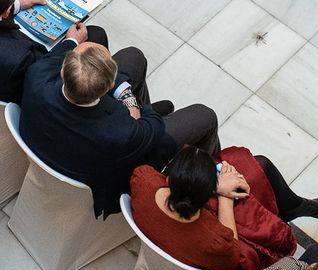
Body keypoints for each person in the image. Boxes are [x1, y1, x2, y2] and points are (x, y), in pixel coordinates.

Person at [19, 38, 217, 218]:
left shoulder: (37, 76)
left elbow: (54, 57)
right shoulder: (122, 133)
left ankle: (141, 103)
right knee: (204, 116)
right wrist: (129, 100)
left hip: (53, 144)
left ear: (63, 71)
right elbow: (154, 124)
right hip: (111, 171)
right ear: (108, 88)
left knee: (133, 56)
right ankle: (202, 178)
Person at [129, 144, 318, 270]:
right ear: (204, 198)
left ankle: (294, 207)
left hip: (163, 240)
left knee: (254, 170)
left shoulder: (143, 180)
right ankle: (297, 208)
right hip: (203, 265)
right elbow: (232, 251)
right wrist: (224, 195)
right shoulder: (217, 242)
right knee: (256, 171)